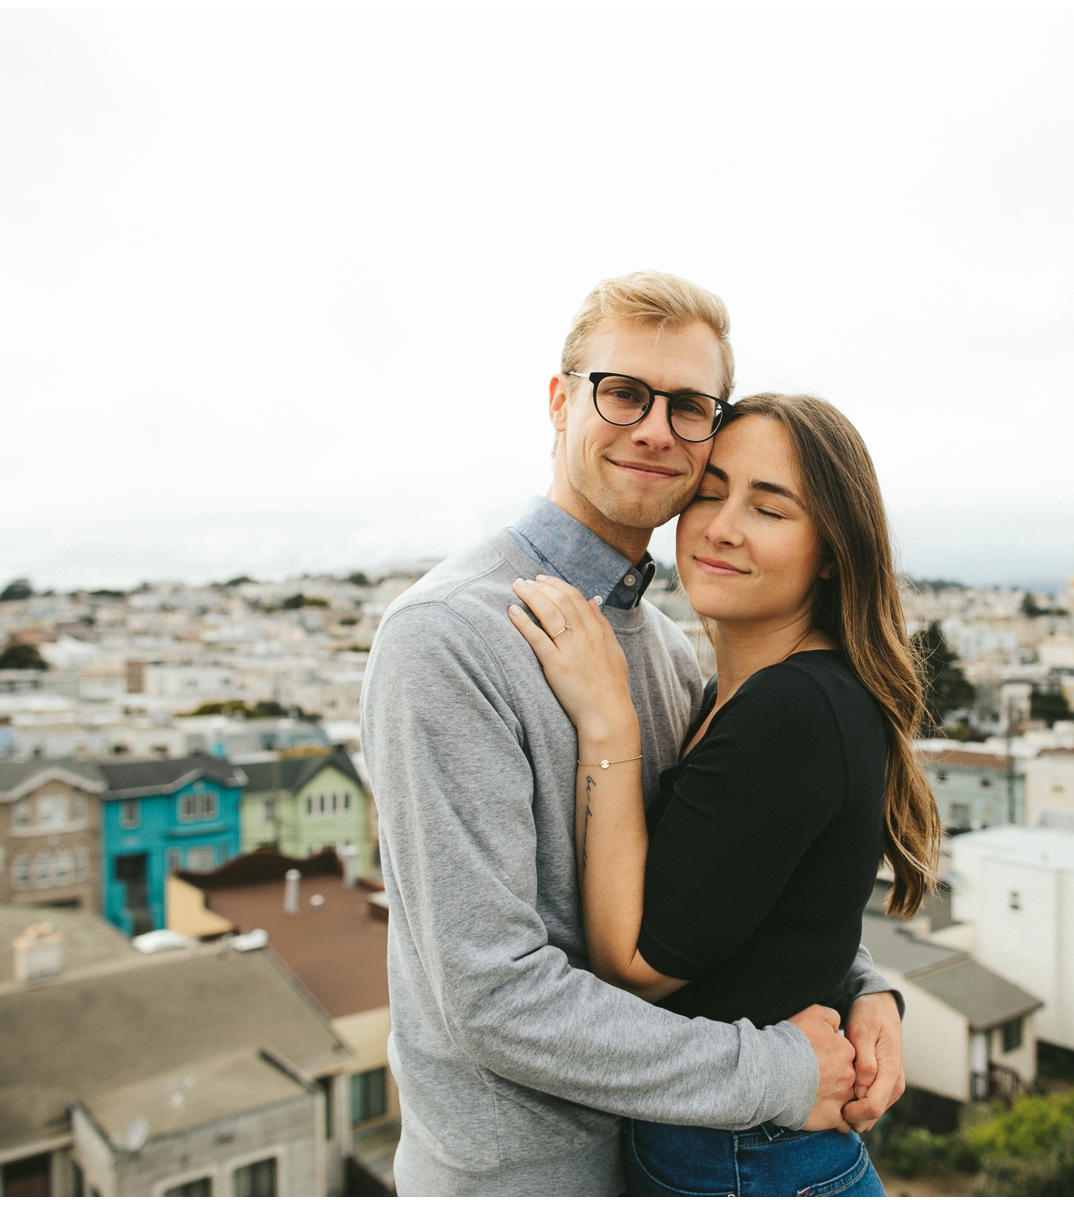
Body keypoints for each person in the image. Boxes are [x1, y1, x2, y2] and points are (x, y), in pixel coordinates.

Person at [360, 272, 906, 1196]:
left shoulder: (658, 645)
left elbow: (713, 881)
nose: (656, 428)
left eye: (690, 405)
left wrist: (858, 983)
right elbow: (493, 997)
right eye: (623, 391)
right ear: (559, 400)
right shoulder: (448, 638)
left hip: (673, 1157)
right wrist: (778, 1070)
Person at [507, 392, 940, 1196]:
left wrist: (607, 726)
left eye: (769, 508)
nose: (722, 525)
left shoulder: (791, 710)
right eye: (710, 493)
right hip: (744, 1146)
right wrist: (862, 985)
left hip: (749, 1161)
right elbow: (761, 909)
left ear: (834, 552)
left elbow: (637, 966)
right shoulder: (739, 694)